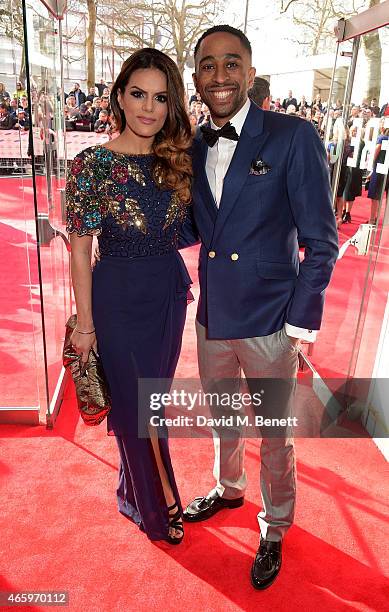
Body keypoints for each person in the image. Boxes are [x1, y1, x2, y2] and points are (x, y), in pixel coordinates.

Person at [179, 25, 338, 589]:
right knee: (224, 421)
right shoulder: (193, 146)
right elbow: (199, 227)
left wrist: (299, 321)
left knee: (274, 433)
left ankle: (274, 526)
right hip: (215, 316)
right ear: (195, 76)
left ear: (249, 70)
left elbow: (322, 241)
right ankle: (228, 490)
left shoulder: (294, 137)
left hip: (272, 319)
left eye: (230, 64)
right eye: (207, 65)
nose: (219, 77)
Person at [66, 48, 193, 544]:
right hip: (116, 297)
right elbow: (80, 251)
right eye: (138, 94)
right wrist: (85, 324)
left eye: (160, 98)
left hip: (166, 295)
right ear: (119, 96)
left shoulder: (175, 161)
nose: (148, 108)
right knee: (136, 407)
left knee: (151, 402)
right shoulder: (91, 165)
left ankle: (133, 491)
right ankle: (161, 500)